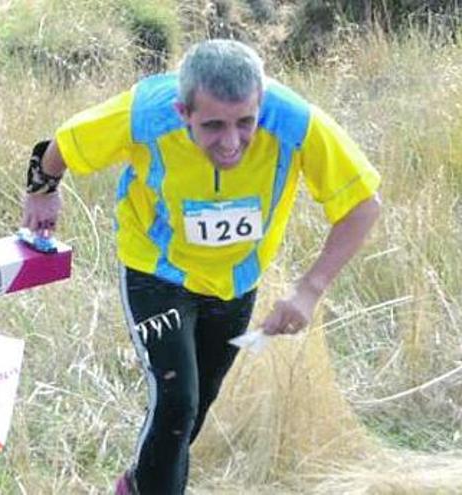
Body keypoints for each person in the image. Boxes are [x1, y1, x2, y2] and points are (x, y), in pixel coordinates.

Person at [21, 39, 380, 494]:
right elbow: (66, 143)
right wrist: (42, 189)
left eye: (245, 122)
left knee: (198, 404)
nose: (231, 143)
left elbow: (363, 204)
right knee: (176, 402)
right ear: (182, 111)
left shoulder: (294, 121)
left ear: (260, 104)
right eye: (212, 126)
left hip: (235, 280)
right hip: (156, 270)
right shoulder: (146, 112)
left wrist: (309, 289)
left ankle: (137, 485)